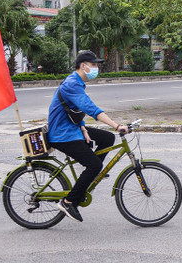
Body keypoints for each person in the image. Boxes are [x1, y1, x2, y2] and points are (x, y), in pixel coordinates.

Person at [46, 50, 128, 222]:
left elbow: (74, 110)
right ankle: (68, 202)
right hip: (63, 134)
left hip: (71, 128)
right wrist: (117, 126)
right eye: (94, 65)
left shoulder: (76, 83)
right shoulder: (72, 84)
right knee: (94, 165)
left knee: (107, 139)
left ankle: (91, 174)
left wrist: (83, 128)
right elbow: (91, 109)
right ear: (83, 66)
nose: (96, 68)